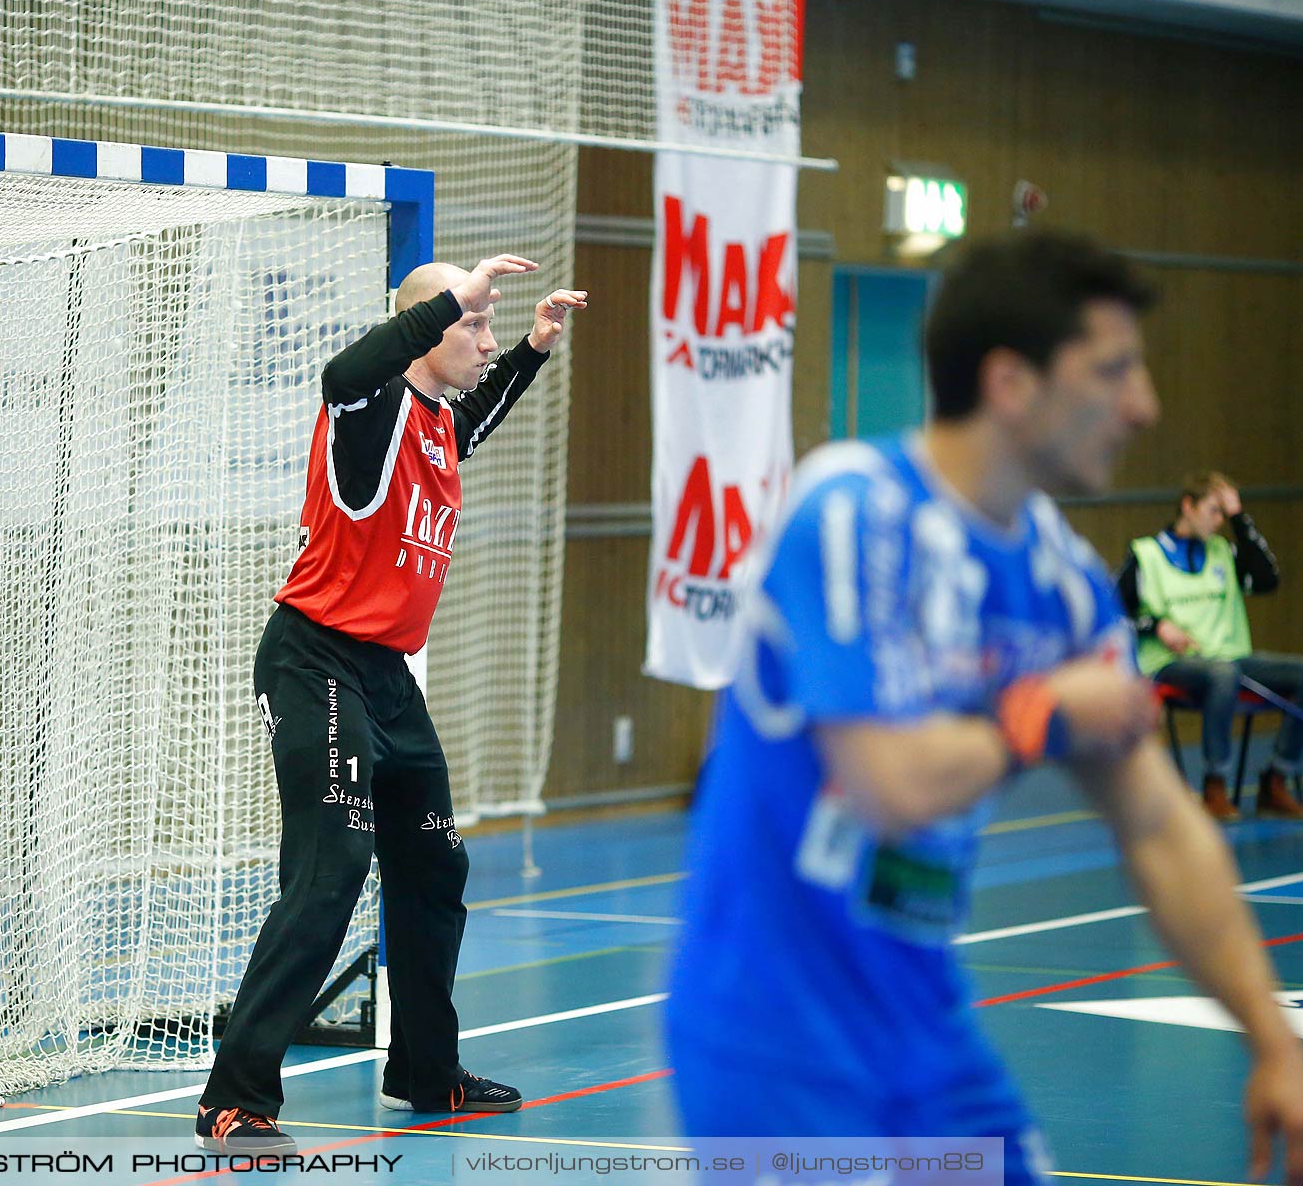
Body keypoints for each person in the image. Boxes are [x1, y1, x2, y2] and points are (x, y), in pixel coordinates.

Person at [666, 230, 1303, 1186]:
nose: (1143, 406)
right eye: (1114, 371)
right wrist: (1043, 709)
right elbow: (886, 784)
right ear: (1012, 384)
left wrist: (1273, 1040)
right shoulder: (853, 511)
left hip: (926, 1027)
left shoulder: (1063, 584)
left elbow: (1163, 823)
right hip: (774, 1040)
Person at [194, 255, 587, 1154]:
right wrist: (454, 295)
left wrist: (531, 349)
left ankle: (424, 1069)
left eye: (489, 329)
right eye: (472, 328)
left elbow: (478, 413)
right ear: (426, 328)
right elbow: (344, 374)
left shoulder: (438, 425)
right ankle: (235, 1096)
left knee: (434, 866)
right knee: (333, 868)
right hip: (314, 661)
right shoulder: (365, 416)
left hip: (386, 677)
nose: (484, 342)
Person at [1117, 471, 1302, 820]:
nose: (1220, 521)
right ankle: (1215, 784)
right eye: (1214, 511)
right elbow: (1111, 613)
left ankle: (1276, 779)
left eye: (1224, 514)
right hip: (1172, 666)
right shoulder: (1146, 554)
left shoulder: (1224, 551)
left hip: (1231, 658)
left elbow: (1267, 579)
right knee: (1222, 674)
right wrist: (1156, 626)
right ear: (1188, 506)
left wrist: (1239, 518)